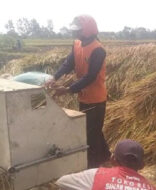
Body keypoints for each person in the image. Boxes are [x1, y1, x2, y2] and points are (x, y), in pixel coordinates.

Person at [46, 15, 111, 168]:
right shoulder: (77, 44)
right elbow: (69, 63)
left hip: (96, 99)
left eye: (78, 30)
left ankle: (93, 165)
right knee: (92, 129)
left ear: (87, 30)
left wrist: (68, 89)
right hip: (84, 96)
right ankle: (106, 156)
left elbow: (91, 77)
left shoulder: (98, 50)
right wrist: (54, 76)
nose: (74, 33)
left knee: (91, 132)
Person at [56, 139, 156, 190]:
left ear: (112, 159)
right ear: (142, 165)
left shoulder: (97, 175)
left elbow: (61, 182)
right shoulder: (151, 187)